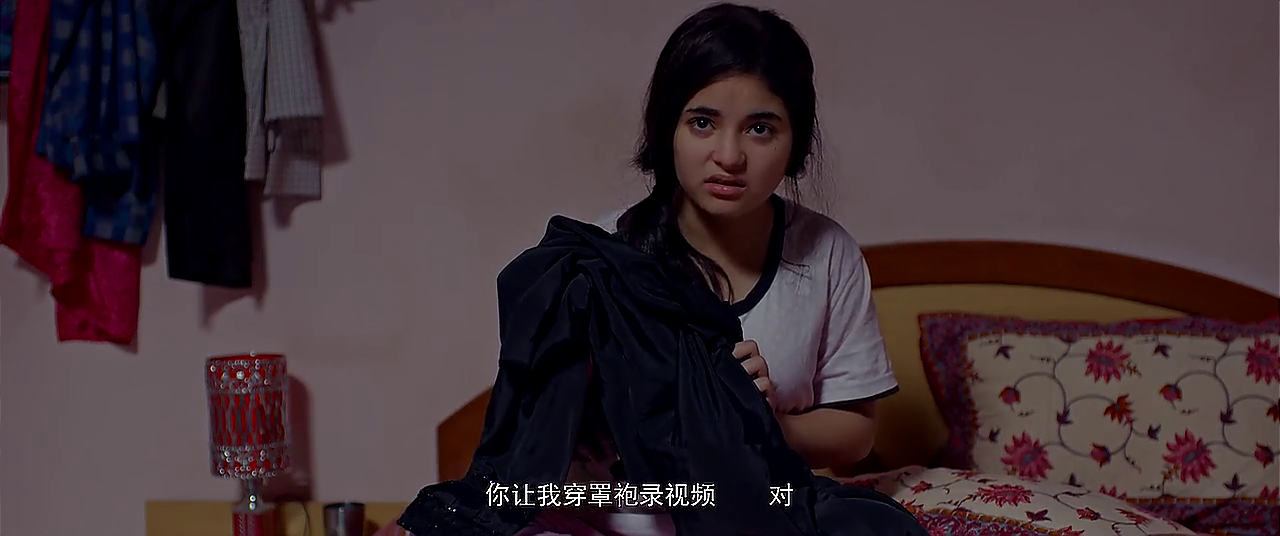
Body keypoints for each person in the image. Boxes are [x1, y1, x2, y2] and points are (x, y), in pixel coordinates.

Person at [512, 3, 901, 536]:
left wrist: (763, 424)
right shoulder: (600, 255)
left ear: (795, 142)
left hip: (758, 500)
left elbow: (856, 435)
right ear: (667, 128)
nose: (729, 156)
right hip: (610, 504)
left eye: (760, 128)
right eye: (702, 123)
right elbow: (531, 439)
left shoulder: (827, 252)